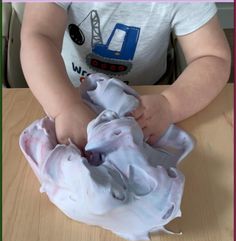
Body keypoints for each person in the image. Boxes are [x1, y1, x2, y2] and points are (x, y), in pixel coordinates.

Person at [20, 2, 231, 149]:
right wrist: (65, 106)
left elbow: (212, 56)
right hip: (64, 91)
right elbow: (39, 36)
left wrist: (170, 104)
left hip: (147, 102)